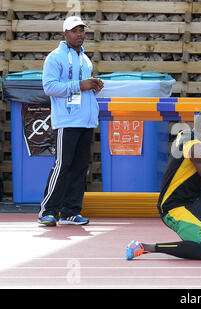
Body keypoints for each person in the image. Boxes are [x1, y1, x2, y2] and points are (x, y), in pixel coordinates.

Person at [126, 110, 201, 260]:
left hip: (192, 200)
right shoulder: (194, 148)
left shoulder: (187, 134)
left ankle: (200, 235)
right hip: (174, 208)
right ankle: (146, 247)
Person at [38, 16, 104, 226]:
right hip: (66, 121)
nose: (80, 35)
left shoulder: (85, 59)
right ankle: (48, 211)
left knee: (79, 168)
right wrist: (79, 85)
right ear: (65, 33)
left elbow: (82, 86)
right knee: (62, 165)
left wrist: (93, 85)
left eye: (82, 31)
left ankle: (70, 212)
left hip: (86, 120)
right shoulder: (55, 57)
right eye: (75, 31)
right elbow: (49, 87)